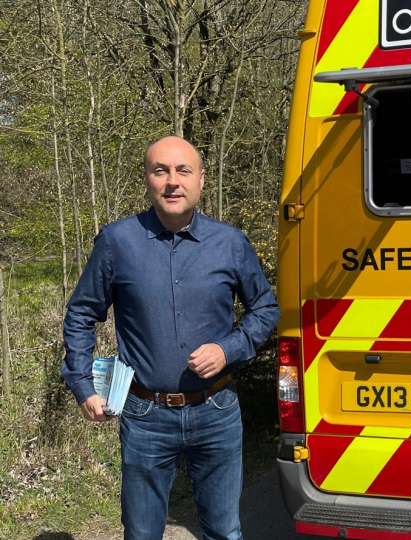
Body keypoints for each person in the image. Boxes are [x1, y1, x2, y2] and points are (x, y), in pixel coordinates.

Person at [61, 136, 281, 540]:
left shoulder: (230, 243)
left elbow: (266, 310)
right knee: (142, 533)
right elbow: (81, 313)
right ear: (147, 179)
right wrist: (82, 384)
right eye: (160, 170)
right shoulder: (116, 242)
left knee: (224, 531)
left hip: (217, 410)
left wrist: (227, 348)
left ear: (200, 180)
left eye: (183, 171)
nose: (172, 182)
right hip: (145, 416)